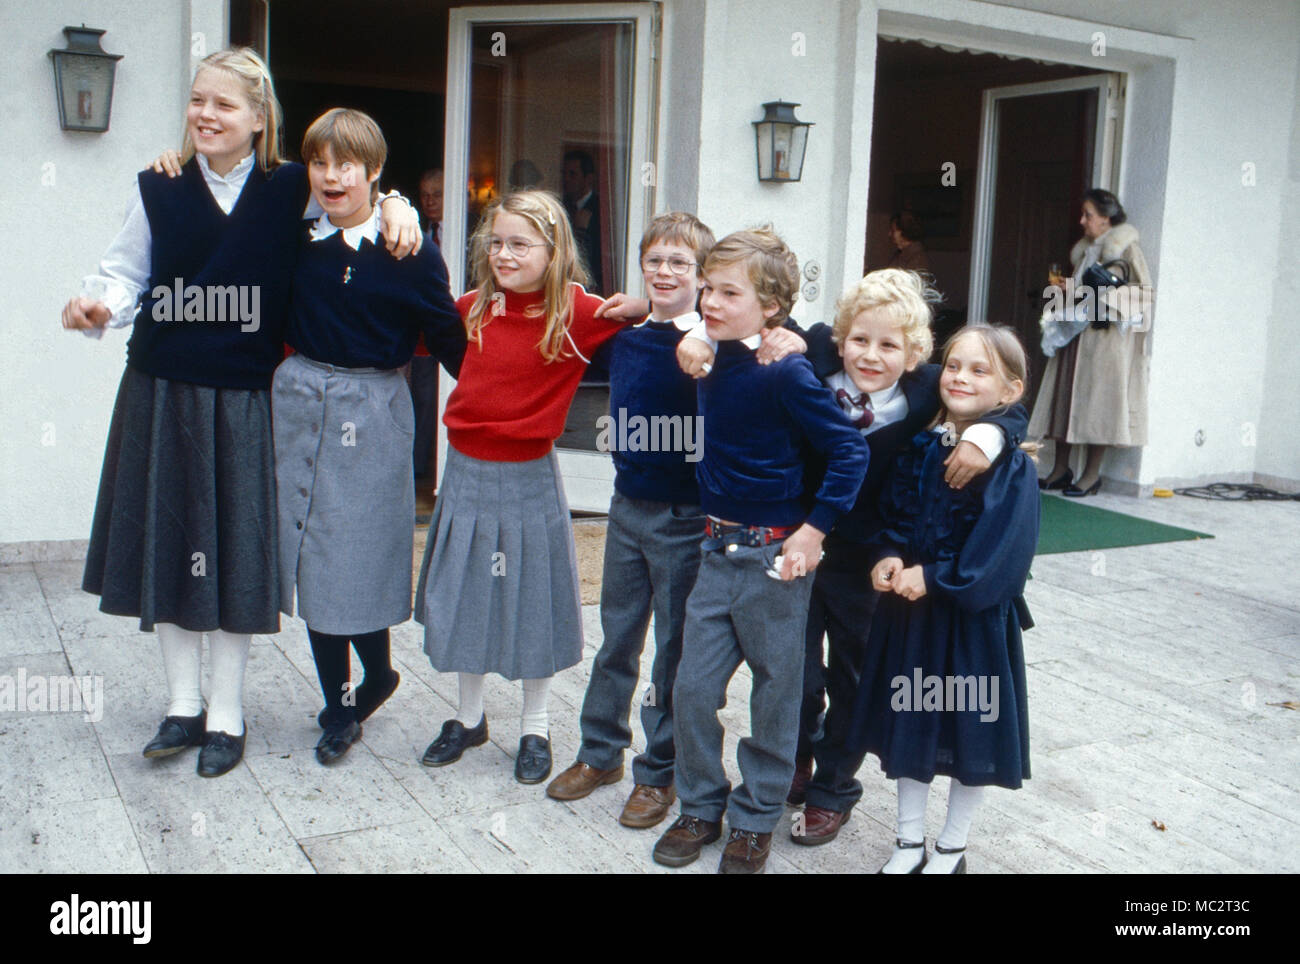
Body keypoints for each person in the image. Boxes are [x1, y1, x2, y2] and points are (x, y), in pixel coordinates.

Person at [61, 48, 420, 779]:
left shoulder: (291, 188)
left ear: (260, 118)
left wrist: (398, 204)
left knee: (235, 555)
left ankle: (227, 715)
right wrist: (97, 304)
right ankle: (183, 706)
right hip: (162, 389)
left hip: (249, 400)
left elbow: (354, 197)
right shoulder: (158, 187)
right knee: (174, 546)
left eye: (224, 104)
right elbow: (124, 273)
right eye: (197, 101)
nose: (205, 114)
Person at [761, 270, 1027, 847]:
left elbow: (1003, 401)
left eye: (889, 345)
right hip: (801, 544)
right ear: (838, 338)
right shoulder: (808, 370)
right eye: (860, 340)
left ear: (912, 354)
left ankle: (835, 787)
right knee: (794, 672)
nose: (872, 355)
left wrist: (992, 437)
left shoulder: (928, 386)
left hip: (871, 562)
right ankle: (796, 759)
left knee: (854, 676)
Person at [651, 228, 868, 874]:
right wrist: (695, 328)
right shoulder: (709, 351)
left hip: (777, 558)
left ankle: (754, 816)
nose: (710, 302)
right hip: (715, 553)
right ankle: (698, 804)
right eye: (707, 289)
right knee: (690, 687)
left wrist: (815, 530)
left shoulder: (787, 370)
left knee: (776, 692)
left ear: (771, 307)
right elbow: (673, 318)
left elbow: (848, 450)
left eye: (727, 292)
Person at [414, 190, 628, 784]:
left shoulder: (578, 313)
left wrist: (641, 304)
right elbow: (400, 321)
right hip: (466, 470)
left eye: (519, 244)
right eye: (497, 243)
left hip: (531, 473)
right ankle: (468, 717)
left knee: (532, 594)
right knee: (466, 592)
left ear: (553, 249)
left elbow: (651, 321)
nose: (504, 255)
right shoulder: (471, 309)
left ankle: (535, 726)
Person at [273, 109, 466, 766]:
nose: (331, 176)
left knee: (355, 555)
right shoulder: (294, 239)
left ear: (373, 171)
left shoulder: (408, 252)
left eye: (346, 164)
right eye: (320, 163)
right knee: (314, 557)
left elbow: (447, 337)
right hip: (300, 406)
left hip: (372, 411)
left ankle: (375, 675)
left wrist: (495, 404)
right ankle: (341, 702)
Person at [848, 324, 1039, 874]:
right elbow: (894, 515)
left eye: (980, 370)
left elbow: (1006, 552)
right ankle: (908, 843)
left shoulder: (1010, 465)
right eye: (954, 365)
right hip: (911, 622)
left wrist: (934, 578)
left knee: (968, 735)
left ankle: (951, 848)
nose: (960, 377)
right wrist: (886, 554)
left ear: (1008, 393)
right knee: (913, 727)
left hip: (970, 625)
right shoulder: (923, 448)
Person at [545, 213, 715, 828]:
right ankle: (600, 752)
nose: (665, 271)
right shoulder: (630, 331)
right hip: (627, 506)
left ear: (703, 275)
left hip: (684, 516)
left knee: (673, 649)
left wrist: (696, 322)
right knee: (617, 638)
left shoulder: (712, 343)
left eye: (680, 263)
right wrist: (644, 306)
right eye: (655, 260)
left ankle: (659, 771)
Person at [1029, 188, 1153, 496]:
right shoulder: (1086, 250)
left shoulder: (1126, 249)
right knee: (1065, 397)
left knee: (1100, 403)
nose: (1082, 221)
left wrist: (1106, 297)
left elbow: (1144, 293)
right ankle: (1060, 468)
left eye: (1089, 215)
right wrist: (1068, 290)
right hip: (1076, 334)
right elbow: (1083, 292)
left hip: (1105, 338)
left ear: (1106, 218)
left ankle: (1091, 474)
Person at [411, 167, 447, 482]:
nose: (429, 201)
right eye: (424, 195)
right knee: (421, 397)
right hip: (421, 332)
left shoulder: (469, 227)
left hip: (455, 327)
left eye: (436, 194)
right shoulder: (412, 229)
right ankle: (419, 468)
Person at [562, 149, 603, 293]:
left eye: (572, 174)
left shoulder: (601, 209)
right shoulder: (561, 207)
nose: (566, 179)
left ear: (588, 178)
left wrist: (582, 231)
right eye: (564, 174)